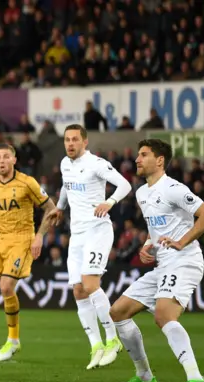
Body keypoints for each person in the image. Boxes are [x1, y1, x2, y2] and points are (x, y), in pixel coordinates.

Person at [110, 139, 204, 382]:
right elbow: (157, 228)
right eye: (137, 154)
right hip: (164, 262)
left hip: (185, 260)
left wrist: (181, 241)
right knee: (118, 311)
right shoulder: (142, 193)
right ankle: (145, 377)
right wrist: (148, 244)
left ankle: (197, 379)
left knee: (164, 316)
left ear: (159, 160)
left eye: (143, 155)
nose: (137, 159)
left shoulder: (174, 189)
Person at [47, 124, 132, 369]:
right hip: (77, 234)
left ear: (85, 142)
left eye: (75, 140)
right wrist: (60, 207)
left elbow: (124, 184)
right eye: (67, 140)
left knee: (90, 283)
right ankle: (96, 345)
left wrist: (110, 202)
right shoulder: (65, 163)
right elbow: (66, 185)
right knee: (78, 290)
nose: (70, 144)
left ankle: (113, 339)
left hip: (98, 230)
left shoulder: (96, 163)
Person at [0, 143, 56, 361]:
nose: (1, 161)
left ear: (14, 160)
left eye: (6, 157)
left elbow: (51, 209)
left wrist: (40, 236)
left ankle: (13, 340)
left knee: (6, 286)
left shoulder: (28, 183)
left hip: (21, 240)